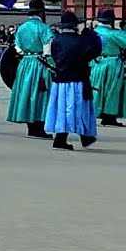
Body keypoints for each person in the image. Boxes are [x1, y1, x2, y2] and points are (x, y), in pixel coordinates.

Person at [45, 11, 100, 150]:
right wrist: (90, 34)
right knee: (78, 108)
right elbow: (95, 52)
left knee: (62, 108)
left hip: (60, 80)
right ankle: (65, 139)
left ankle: (80, 137)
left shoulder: (55, 40)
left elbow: (52, 57)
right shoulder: (81, 40)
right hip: (78, 79)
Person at [5, 0, 54, 138]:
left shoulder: (21, 28)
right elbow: (48, 50)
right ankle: (39, 126)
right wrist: (53, 66)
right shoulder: (44, 28)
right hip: (40, 63)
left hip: (25, 63)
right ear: (41, 12)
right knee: (40, 94)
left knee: (26, 93)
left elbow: (18, 48)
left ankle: (30, 127)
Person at [90, 9, 126, 126]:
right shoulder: (114, 33)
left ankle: (96, 112)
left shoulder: (93, 33)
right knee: (113, 90)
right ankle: (109, 116)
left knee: (96, 88)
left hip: (96, 63)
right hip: (113, 63)